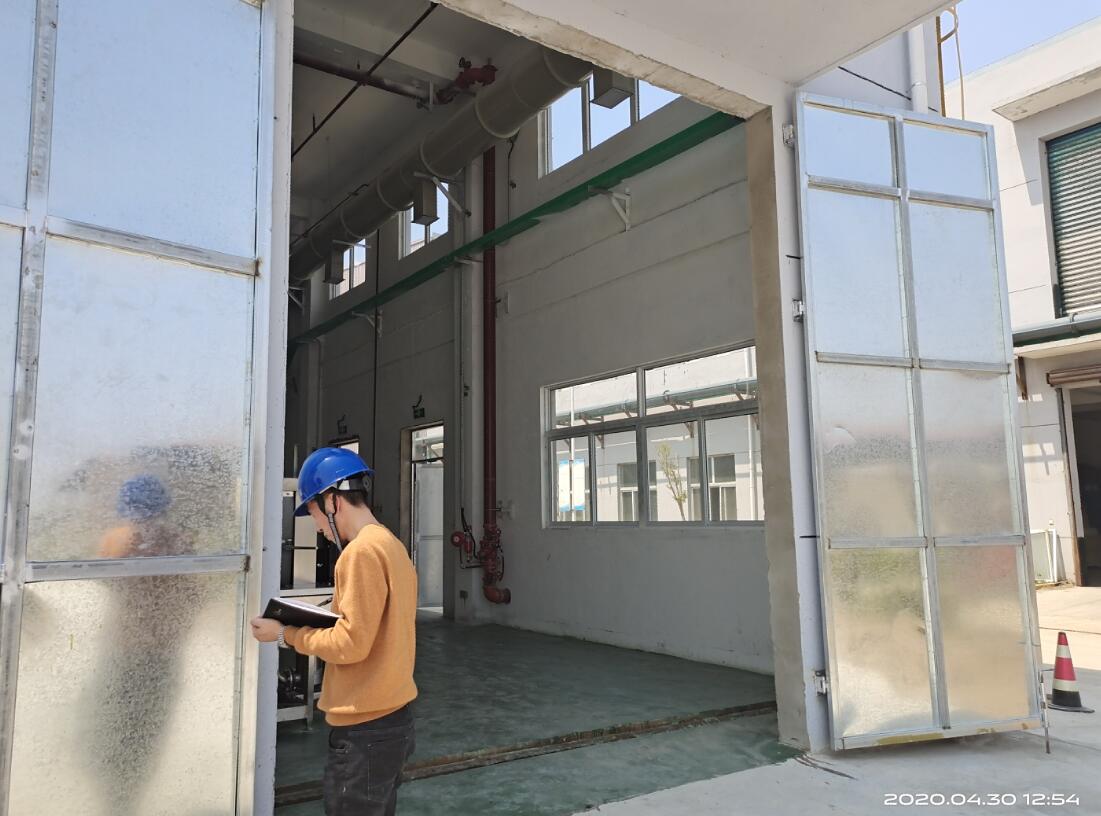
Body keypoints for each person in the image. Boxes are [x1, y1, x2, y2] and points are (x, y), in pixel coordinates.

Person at [251, 448, 418, 816]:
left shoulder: (360, 553)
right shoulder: (390, 545)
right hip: (392, 720)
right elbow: (377, 626)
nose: (318, 528)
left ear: (332, 501)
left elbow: (350, 644)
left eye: (313, 513)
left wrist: (283, 634)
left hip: (365, 729)